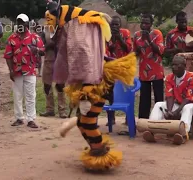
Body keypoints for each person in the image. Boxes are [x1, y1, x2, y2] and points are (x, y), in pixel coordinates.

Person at [45, 1, 137, 170]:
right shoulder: (77, 29)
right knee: (82, 122)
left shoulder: (81, 30)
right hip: (92, 81)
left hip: (96, 84)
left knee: (87, 122)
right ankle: (97, 149)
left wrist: (86, 94)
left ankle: (101, 153)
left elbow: (85, 60)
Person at [143, 56, 193, 145]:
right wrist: (170, 111)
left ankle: (183, 134)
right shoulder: (169, 78)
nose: (174, 67)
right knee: (158, 105)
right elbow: (169, 96)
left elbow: (188, 99)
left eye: (177, 65)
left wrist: (176, 111)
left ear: (184, 66)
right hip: (177, 104)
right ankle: (151, 130)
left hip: (192, 104)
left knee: (187, 108)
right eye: (173, 65)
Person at [4, 14, 44, 128]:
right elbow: (8, 56)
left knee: (31, 95)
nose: (20, 24)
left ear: (27, 24)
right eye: (18, 22)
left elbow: (43, 51)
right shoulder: (12, 38)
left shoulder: (34, 37)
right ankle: (19, 118)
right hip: (17, 71)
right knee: (17, 95)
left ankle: (31, 119)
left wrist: (36, 49)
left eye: (22, 22)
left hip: (30, 70)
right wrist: (11, 70)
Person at [133, 13, 165, 119]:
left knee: (158, 98)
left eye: (146, 23)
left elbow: (160, 51)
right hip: (144, 72)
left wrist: (149, 39)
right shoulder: (137, 35)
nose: (144, 25)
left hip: (157, 72)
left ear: (151, 24)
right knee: (144, 98)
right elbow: (136, 53)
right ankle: (143, 120)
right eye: (142, 23)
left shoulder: (157, 33)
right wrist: (138, 48)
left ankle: (159, 119)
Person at [105, 15, 132, 125]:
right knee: (110, 93)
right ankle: (111, 119)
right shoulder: (106, 34)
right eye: (113, 24)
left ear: (120, 25)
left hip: (124, 68)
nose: (115, 26)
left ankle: (127, 118)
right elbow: (104, 51)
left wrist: (119, 38)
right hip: (110, 68)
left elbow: (128, 49)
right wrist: (110, 46)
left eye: (117, 24)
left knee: (126, 93)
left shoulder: (125, 33)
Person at [39, 20, 67, 119]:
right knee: (47, 86)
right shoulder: (45, 30)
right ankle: (50, 109)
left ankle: (62, 110)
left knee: (60, 85)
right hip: (48, 61)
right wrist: (49, 45)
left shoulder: (63, 30)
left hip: (60, 61)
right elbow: (41, 47)